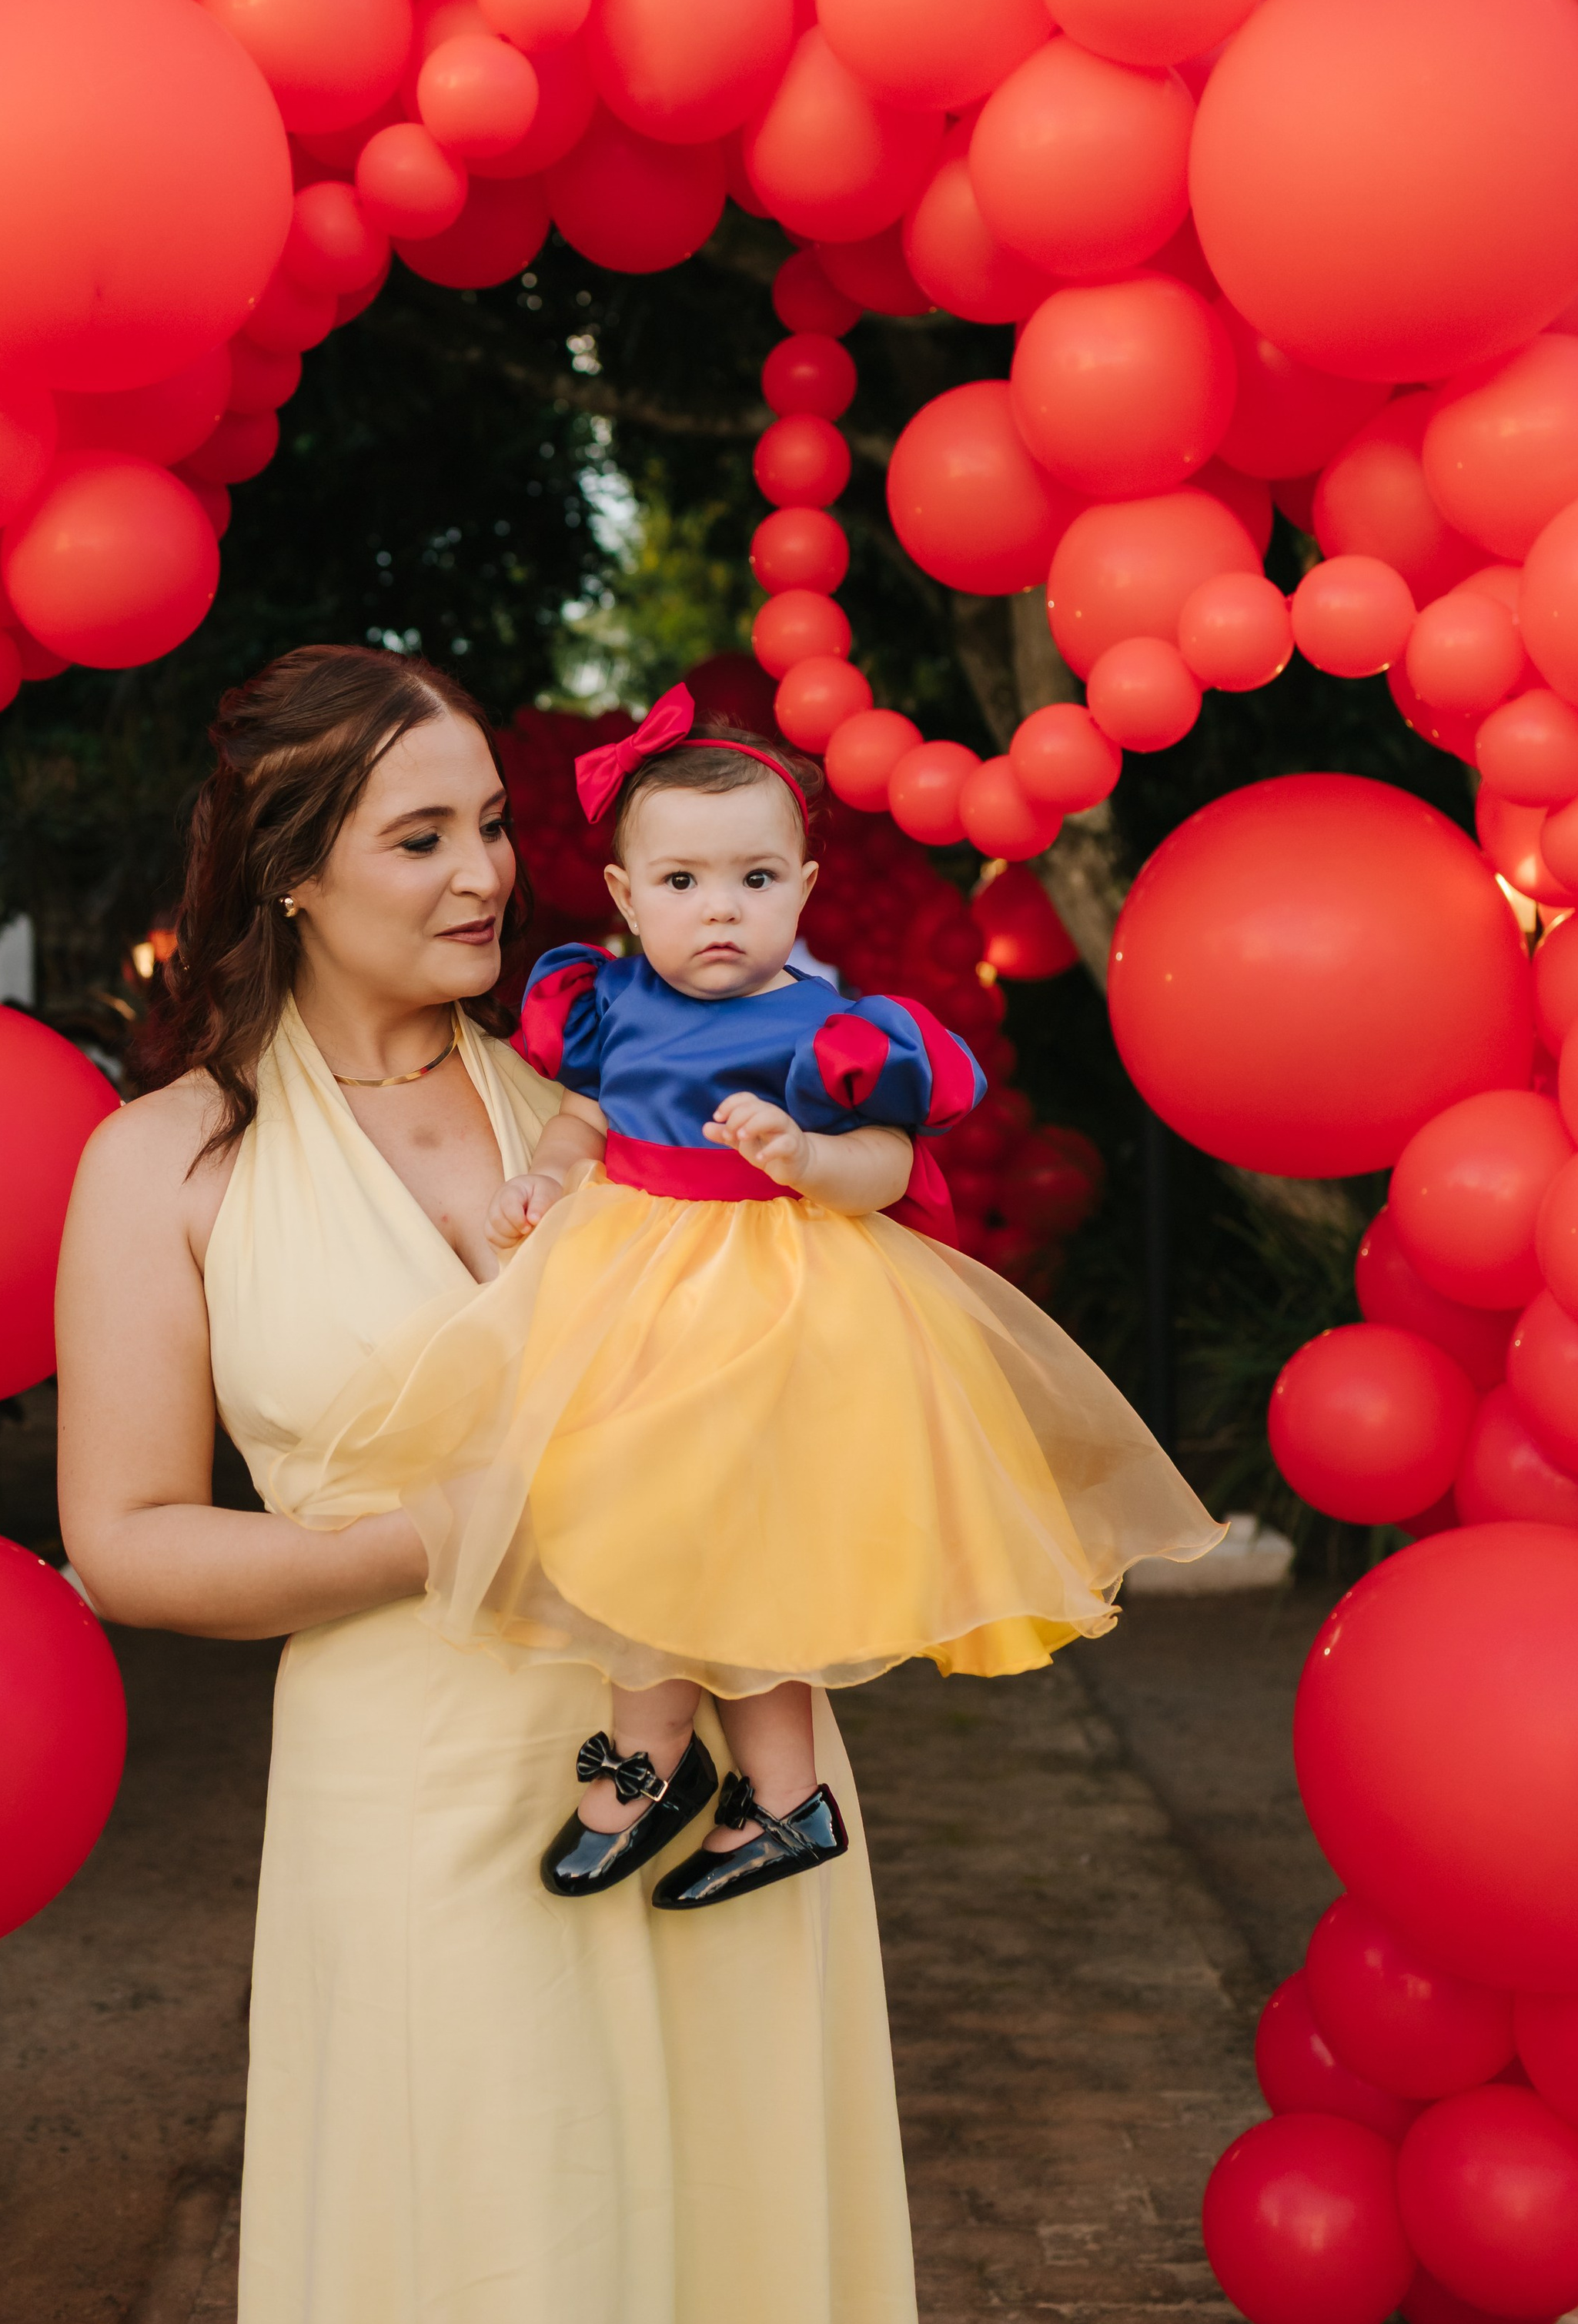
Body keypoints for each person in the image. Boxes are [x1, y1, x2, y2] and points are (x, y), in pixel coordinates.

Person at [55, 645, 937, 2324]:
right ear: (293, 868)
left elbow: (842, 1316)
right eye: (420, 836)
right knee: (492, 2298)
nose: (481, 875)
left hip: (719, 1782)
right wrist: (442, 1532)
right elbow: (125, 1542)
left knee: (737, 2280)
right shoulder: (164, 1166)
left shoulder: (616, 1074)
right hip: (423, 1791)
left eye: (488, 830)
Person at [292, 684, 1222, 1915]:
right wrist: (542, 1181)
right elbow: (580, 1126)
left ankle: (721, 1782)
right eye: (679, 883)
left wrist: (806, 1157)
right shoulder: (606, 1003)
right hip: (629, 1283)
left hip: (778, 1298)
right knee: (646, 1529)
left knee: (738, 1556)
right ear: (623, 899)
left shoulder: (831, 1028)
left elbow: (889, 1166)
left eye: (753, 880)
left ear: (804, 886)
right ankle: (730, 1787)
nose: (718, 909)